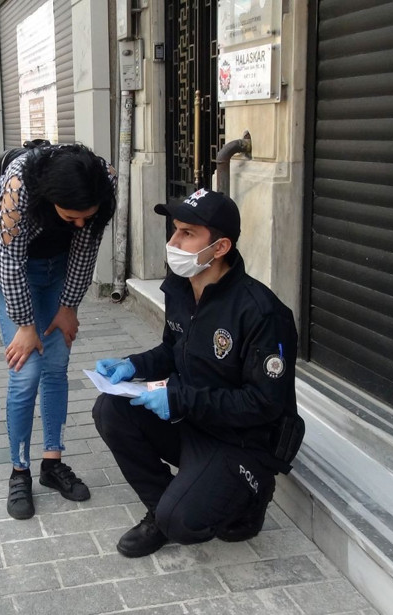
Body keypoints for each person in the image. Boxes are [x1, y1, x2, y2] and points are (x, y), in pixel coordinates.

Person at [92, 189, 303, 558]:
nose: (173, 242)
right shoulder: (180, 288)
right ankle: (161, 510)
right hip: (193, 420)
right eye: (174, 231)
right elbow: (175, 351)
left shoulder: (262, 313)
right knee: (110, 409)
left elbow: (264, 404)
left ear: (220, 248)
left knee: (185, 523)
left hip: (240, 440)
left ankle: (250, 495)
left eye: (187, 233)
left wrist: (178, 397)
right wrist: (133, 365)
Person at [0, 143, 118, 520]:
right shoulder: (19, 186)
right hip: (16, 271)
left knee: (55, 366)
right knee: (26, 374)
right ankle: (19, 471)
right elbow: (8, 261)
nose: (80, 224)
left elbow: (87, 250)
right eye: (71, 216)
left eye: (86, 216)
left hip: (61, 273)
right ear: (50, 198)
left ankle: (52, 463)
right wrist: (25, 325)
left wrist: (69, 306)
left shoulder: (103, 182)